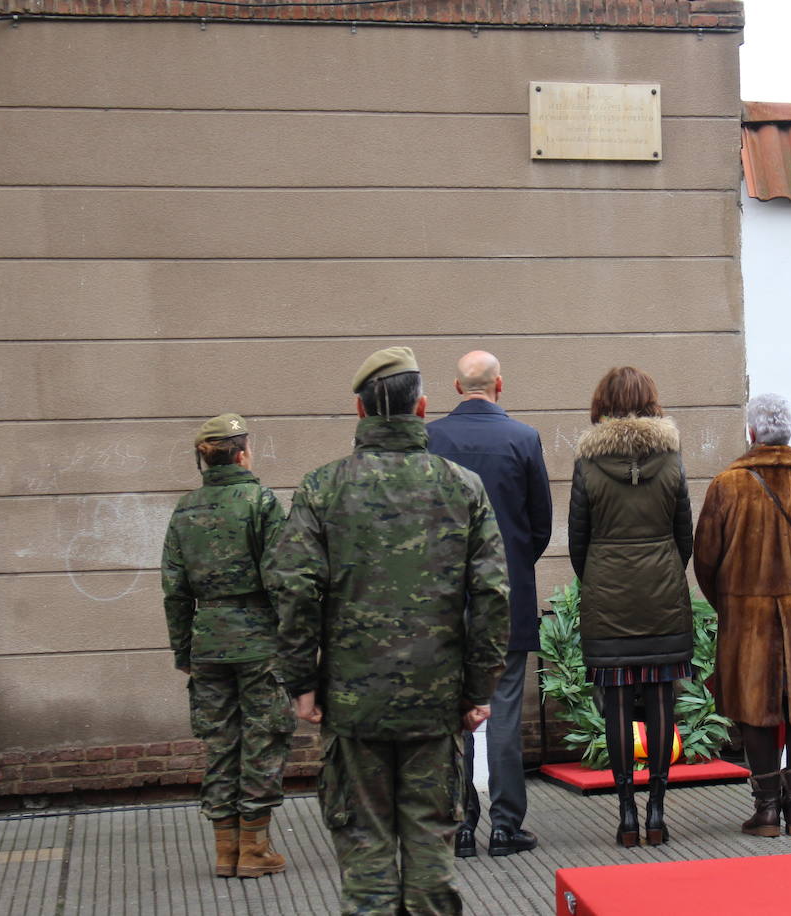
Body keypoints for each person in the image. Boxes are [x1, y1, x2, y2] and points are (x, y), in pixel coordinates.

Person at [268, 347, 510, 915]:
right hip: (436, 702)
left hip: (353, 706)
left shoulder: (322, 489)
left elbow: (294, 589)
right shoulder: (462, 487)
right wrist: (480, 689)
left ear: (359, 411)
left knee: (366, 854)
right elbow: (494, 595)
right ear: (423, 407)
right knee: (431, 848)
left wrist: (301, 682)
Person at [426, 350, 552, 858]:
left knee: (456, 716)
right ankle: (505, 826)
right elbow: (539, 524)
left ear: (457, 389)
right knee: (503, 714)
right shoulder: (523, 439)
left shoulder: (430, 439)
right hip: (508, 596)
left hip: (444, 600)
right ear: (500, 384)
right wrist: (515, 564)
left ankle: (459, 825)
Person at [694, 394, 791, 838]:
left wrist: (730, 604)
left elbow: (705, 559)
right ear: (788, 432)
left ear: (751, 433)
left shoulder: (726, 485)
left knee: (755, 712)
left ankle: (766, 809)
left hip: (746, 617)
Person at [160, 413, 293, 879]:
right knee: (262, 739)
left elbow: (175, 591)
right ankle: (255, 849)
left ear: (203, 456)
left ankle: (225, 851)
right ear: (242, 453)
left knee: (220, 744)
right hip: (259, 642)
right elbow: (283, 578)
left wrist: (183, 652)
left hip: (207, 642)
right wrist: (295, 642)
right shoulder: (261, 502)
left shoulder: (185, 509)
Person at [568, 366, 694, 847]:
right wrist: (662, 568)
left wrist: (601, 578)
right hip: (662, 593)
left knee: (617, 705)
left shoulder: (587, 462)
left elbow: (578, 542)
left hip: (608, 597)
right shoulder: (672, 457)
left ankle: (625, 815)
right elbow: (685, 536)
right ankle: (658, 810)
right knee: (662, 698)